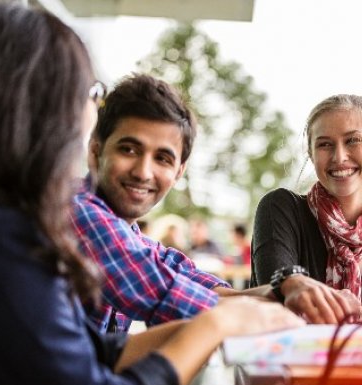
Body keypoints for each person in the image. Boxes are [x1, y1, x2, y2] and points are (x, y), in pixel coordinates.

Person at [0, 4, 305, 385]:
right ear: (44, 105)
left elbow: (93, 350)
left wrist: (268, 296)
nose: (143, 172)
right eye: (91, 91)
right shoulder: (0, 234)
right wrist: (218, 323)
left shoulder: (3, 221)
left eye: (163, 157)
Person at [71, 74, 360, 332]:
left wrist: (281, 290)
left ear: (179, 172)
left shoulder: (130, 234)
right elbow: (160, 291)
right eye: (129, 149)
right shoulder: (77, 210)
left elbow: (182, 275)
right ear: (95, 152)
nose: (143, 172)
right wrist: (281, 295)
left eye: (162, 158)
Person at [251, 94, 362, 322]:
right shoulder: (282, 207)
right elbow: (276, 284)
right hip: (293, 355)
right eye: (324, 145)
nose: (339, 157)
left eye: (353, 140)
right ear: (311, 155)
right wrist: (293, 283)